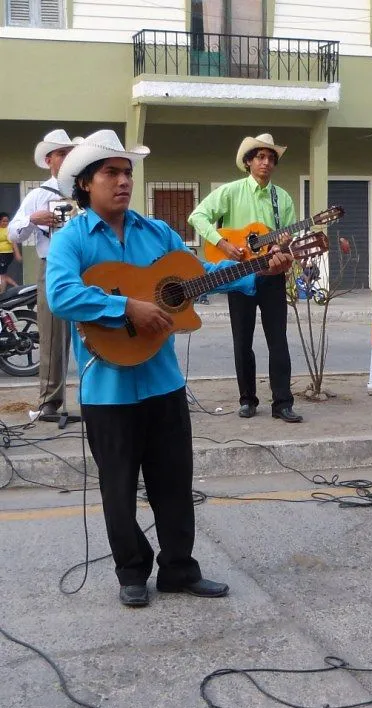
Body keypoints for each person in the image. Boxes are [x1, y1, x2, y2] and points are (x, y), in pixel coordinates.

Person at [45, 130, 294, 607]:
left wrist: (259, 268)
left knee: (174, 483)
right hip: (107, 388)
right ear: (84, 184)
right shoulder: (71, 241)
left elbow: (198, 274)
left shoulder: (156, 232)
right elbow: (61, 295)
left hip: (163, 382)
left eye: (127, 173)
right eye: (111, 173)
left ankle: (179, 568)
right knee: (118, 488)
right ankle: (131, 572)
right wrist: (127, 309)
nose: (123, 182)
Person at [188, 133, 302, 423]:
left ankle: (282, 403)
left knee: (278, 341)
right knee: (243, 341)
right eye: (260, 157)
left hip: (271, 276)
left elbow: (290, 240)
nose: (266, 163)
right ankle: (247, 400)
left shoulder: (283, 199)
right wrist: (222, 243)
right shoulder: (231, 192)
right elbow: (197, 216)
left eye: (270, 158)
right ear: (248, 162)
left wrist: (283, 245)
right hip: (238, 275)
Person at [7, 129, 79, 421]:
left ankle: (104, 397)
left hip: (89, 265)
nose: (66, 158)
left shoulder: (84, 190)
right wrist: (32, 219)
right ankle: (50, 402)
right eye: (61, 153)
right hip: (54, 264)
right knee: (52, 332)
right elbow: (14, 231)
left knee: (102, 331)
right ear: (49, 160)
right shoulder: (40, 195)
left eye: (70, 153)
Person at [0, 212, 21, 290]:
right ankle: (16, 287)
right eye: (3, 221)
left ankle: (2, 293)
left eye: (7, 221)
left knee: (2, 274)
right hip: (0, 255)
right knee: (2, 275)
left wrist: (17, 254)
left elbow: (13, 243)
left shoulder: (8, 230)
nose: (6, 223)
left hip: (6, 255)